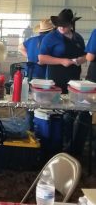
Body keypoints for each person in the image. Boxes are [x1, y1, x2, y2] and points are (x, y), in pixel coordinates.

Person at [38, 8, 91, 156]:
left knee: (72, 114)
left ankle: (69, 147)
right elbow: (42, 58)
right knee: (57, 113)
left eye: (65, 25)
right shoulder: (50, 37)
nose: (62, 27)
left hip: (74, 82)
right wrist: (62, 61)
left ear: (71, 25)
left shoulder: (78, 38)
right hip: (56, 81)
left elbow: (84, 56)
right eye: (59, 24)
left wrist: (80, 60)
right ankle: (55, 146)